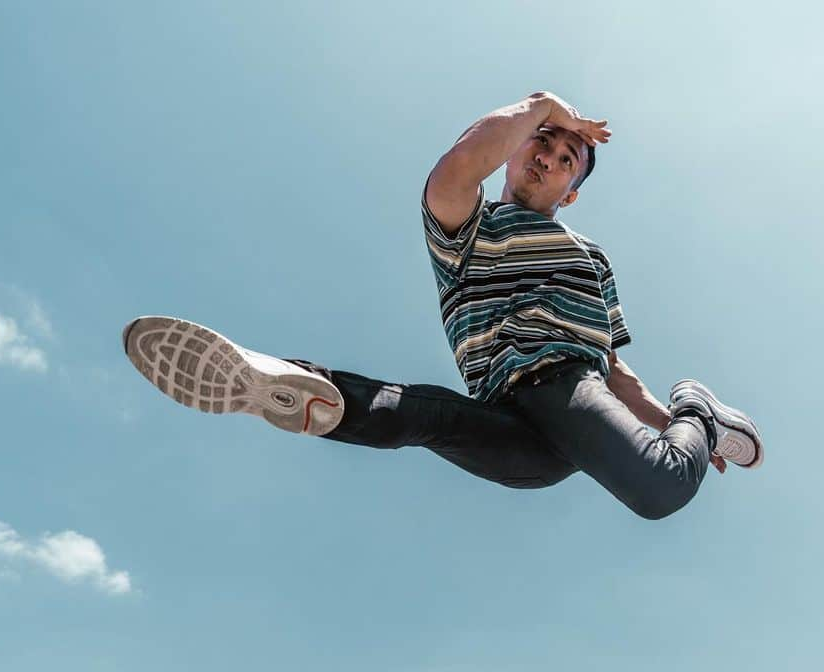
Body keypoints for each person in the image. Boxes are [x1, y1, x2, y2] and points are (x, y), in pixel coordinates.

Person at [123, 91, 763, 519]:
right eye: (542, 141)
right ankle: (289, 384)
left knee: (663, 486)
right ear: (515, 151)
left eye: (568, 159)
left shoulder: (589, 257)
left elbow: (615, 371)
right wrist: (541, 102)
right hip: (512, 424)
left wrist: (664, 429)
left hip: (569, 391)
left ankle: (696, 407)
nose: (549, 156)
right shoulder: (469, 225)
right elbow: (456, 169)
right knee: (421, 420)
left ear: (571, 191)